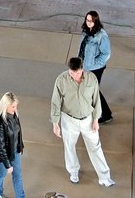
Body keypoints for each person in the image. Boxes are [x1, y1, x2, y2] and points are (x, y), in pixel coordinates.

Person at [50, 57, 115, 187]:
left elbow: (96, 100)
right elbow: (55, 102)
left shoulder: (91, 79)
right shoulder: (61, 80)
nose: (74, 76)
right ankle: (73, 172)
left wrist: (96, 120)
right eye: (72, 73)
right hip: (69, 120)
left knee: (96, 147)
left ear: (82, 69)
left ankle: (104, 177)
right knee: (69, 147)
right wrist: (55, 123)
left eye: (77, 73)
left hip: (88, 120)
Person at [0, 92, 26, 198]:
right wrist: (7, 164)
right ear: (5, 106)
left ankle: (21, 196)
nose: (15, 108)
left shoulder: (14, 116)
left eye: (16, 106)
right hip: (3, 155)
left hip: (15, 151)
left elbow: (18, 133)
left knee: (18, 176)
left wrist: (20, 146)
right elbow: (0, 147)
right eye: (13, 106)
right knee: (2, 174)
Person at [78, 11, 112, 124]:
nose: (88, 22)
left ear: (95, 21)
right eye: (87, 20)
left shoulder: (101, 36)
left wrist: (93, 63)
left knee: (94, 91)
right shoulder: (86, 31)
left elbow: (106, 54)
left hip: (96, 68)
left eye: (91, 21)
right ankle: (99, 112)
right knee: (90, 90)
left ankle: (106, 115)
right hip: (85, 66)